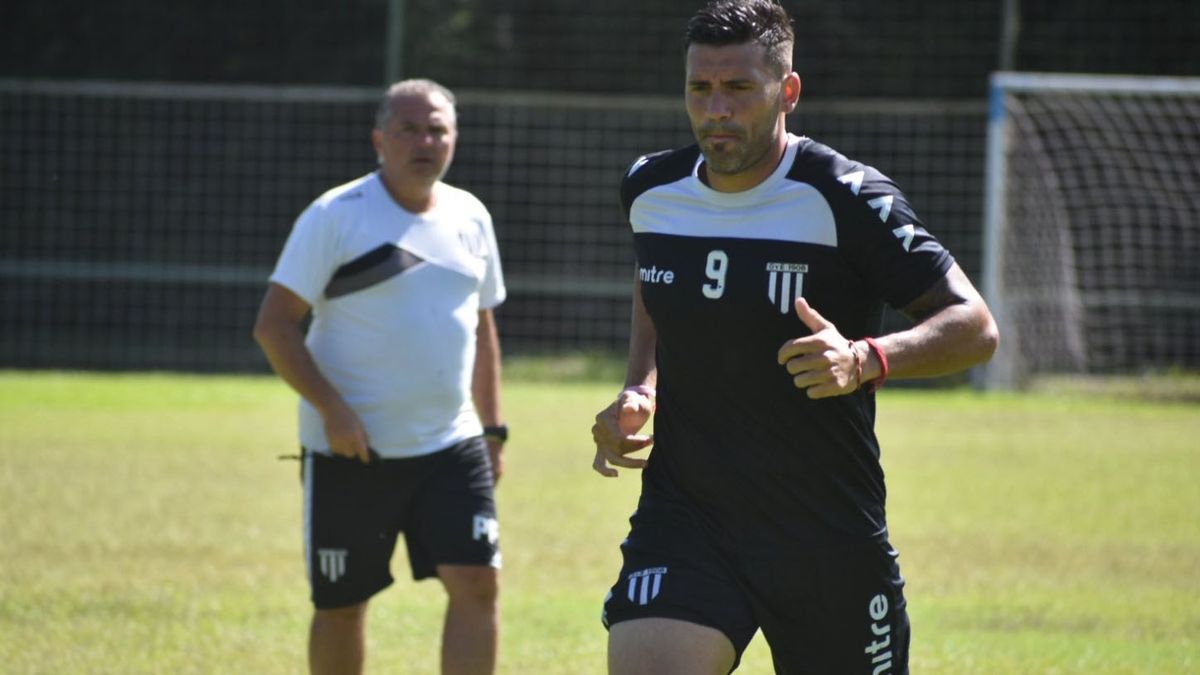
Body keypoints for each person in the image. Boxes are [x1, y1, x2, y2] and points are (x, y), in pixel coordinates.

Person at [590, 1, 999, 673]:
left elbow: (975, 327)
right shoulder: (651, 189)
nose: (716, 109)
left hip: (825, 533)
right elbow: (655, 281)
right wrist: (641, 383)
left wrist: (867, 357)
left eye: (738, 88)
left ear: (788, 91)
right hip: (687, 520)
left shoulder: (846, 197)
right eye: (701, 88)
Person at [253, 78, 508, 675]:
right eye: (409, 129)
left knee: (478, 585)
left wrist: (493, 430)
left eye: (437, 129)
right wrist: (334, 412)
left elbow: (483, 327)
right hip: (351, 450)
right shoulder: (335, 215)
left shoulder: (471, 215)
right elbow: (275, 326)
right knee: (342, 604)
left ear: (454, 138)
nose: (425, 141)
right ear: (379, 140)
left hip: (453, 444)